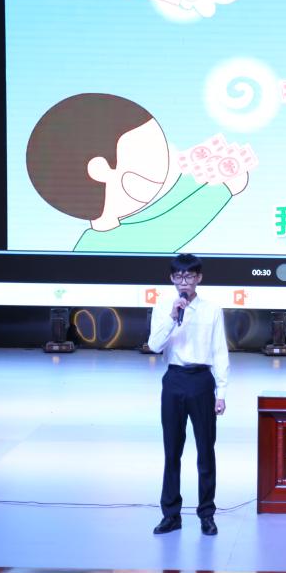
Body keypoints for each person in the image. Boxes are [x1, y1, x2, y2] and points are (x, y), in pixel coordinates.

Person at [26, 93, 249, 253]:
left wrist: (201, 175)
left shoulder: (129, 220)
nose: (166, 162)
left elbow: (162, 208)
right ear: (100, 170)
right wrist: (223, 190)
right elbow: (170, 230)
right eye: (149, 154)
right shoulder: (98, 246)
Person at [147, 254, 228, 536]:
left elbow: (220, 351)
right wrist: (172, 317)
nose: (185, 282)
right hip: (174, 379)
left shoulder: (212, 309)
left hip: (202, 381)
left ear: (199, 278)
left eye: (190, 276)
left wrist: (221, 391)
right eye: (179, 277)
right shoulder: (163, 307)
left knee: (206, 451)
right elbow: (154, 346)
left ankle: (207, 514)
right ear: (172, 279)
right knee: (172, 451)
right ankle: (171, 514)